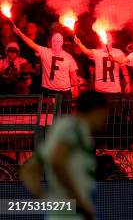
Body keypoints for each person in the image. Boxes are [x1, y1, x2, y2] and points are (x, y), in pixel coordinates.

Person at [20, 91, 109, 220]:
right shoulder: (70, 127)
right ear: (97, 111)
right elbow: (57, 162)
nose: (105, 119)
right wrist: (78, 201)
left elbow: (29, 169)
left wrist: (48, 201)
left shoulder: (78, 133)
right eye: (105, 113)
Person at [14, 28, 79, 99]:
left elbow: (73, 74)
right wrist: (21, 34)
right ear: (51, 42)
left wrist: (75, 87)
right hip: (48, 90)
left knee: (63, 110)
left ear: (62, 42)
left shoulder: (68, 57)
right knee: (48, 110)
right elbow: (32, 44)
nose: (56, 43)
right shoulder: (45, 52)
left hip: (64, 90)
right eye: (54, 41)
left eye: (58, 41)